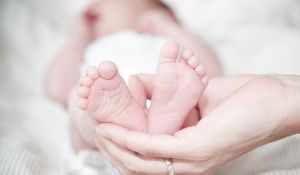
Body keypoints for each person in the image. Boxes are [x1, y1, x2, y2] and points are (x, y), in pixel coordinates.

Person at [45, 0, 222, 151]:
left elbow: (211, 73)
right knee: (78, 99)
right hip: (102, 142)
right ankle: (131, 123)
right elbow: (57, 88)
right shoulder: (91, 47)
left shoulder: (167, 42)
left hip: (171, 126)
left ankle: (157, 123)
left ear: (163, 15)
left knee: (193, 100)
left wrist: (170, 28)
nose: (97, 7)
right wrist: (78, 38)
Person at [94, 73, 300, 174]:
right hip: (119, 88)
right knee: (89, 111)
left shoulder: (168, 33)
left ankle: (145, 127)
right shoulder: (92, 41)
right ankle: (153, 124)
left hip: (149, 84)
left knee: (89, 118)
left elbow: (210, 67)